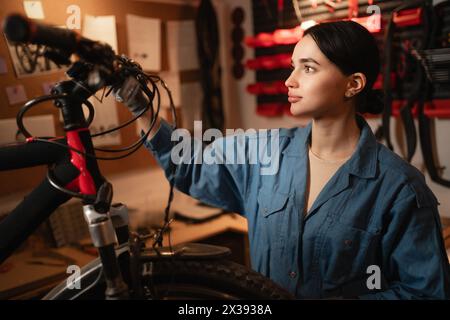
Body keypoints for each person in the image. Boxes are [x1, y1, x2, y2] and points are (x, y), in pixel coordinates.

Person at [123, 21, 450, 299]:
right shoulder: (262, 153)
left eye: (308, 68)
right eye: (293, 65)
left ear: (353, 84)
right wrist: (140, 106)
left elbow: (426, 292)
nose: (289, 80)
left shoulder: (400, 188)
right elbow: (187, 166)